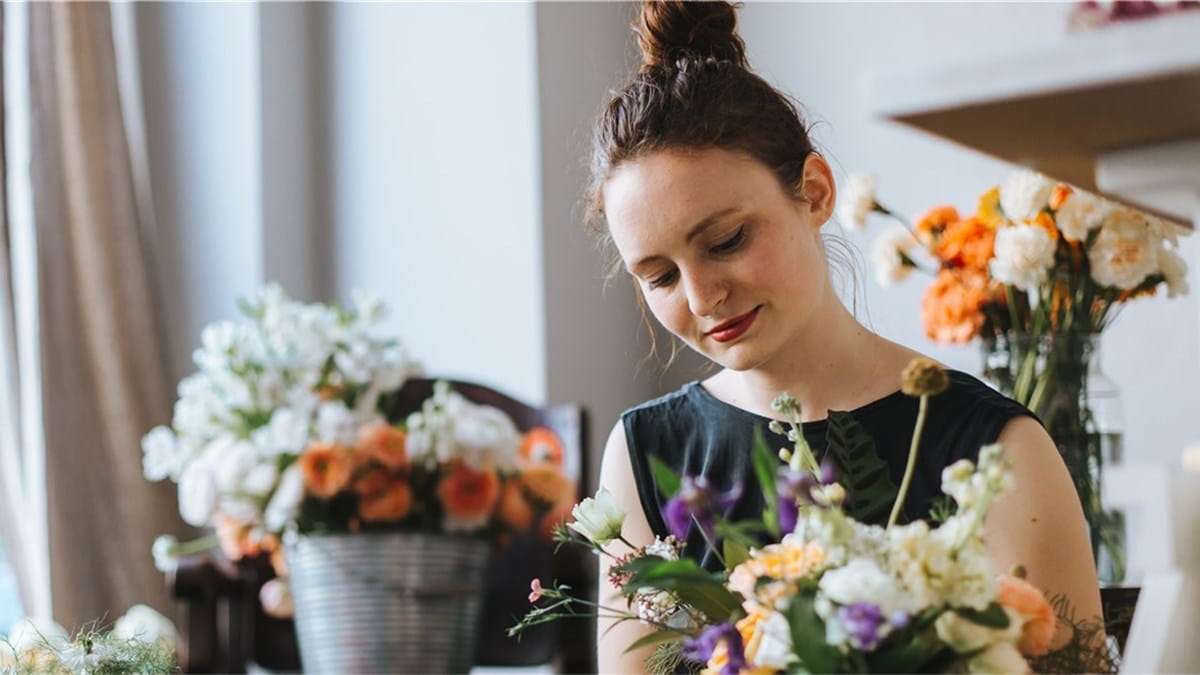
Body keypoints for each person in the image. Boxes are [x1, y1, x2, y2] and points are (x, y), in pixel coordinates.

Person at [589, 1, 1102, 672]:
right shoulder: (643, 453)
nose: (702, 297)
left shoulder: (996, 448)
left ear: (815, 191)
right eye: (659, 276)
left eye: (727, 240)